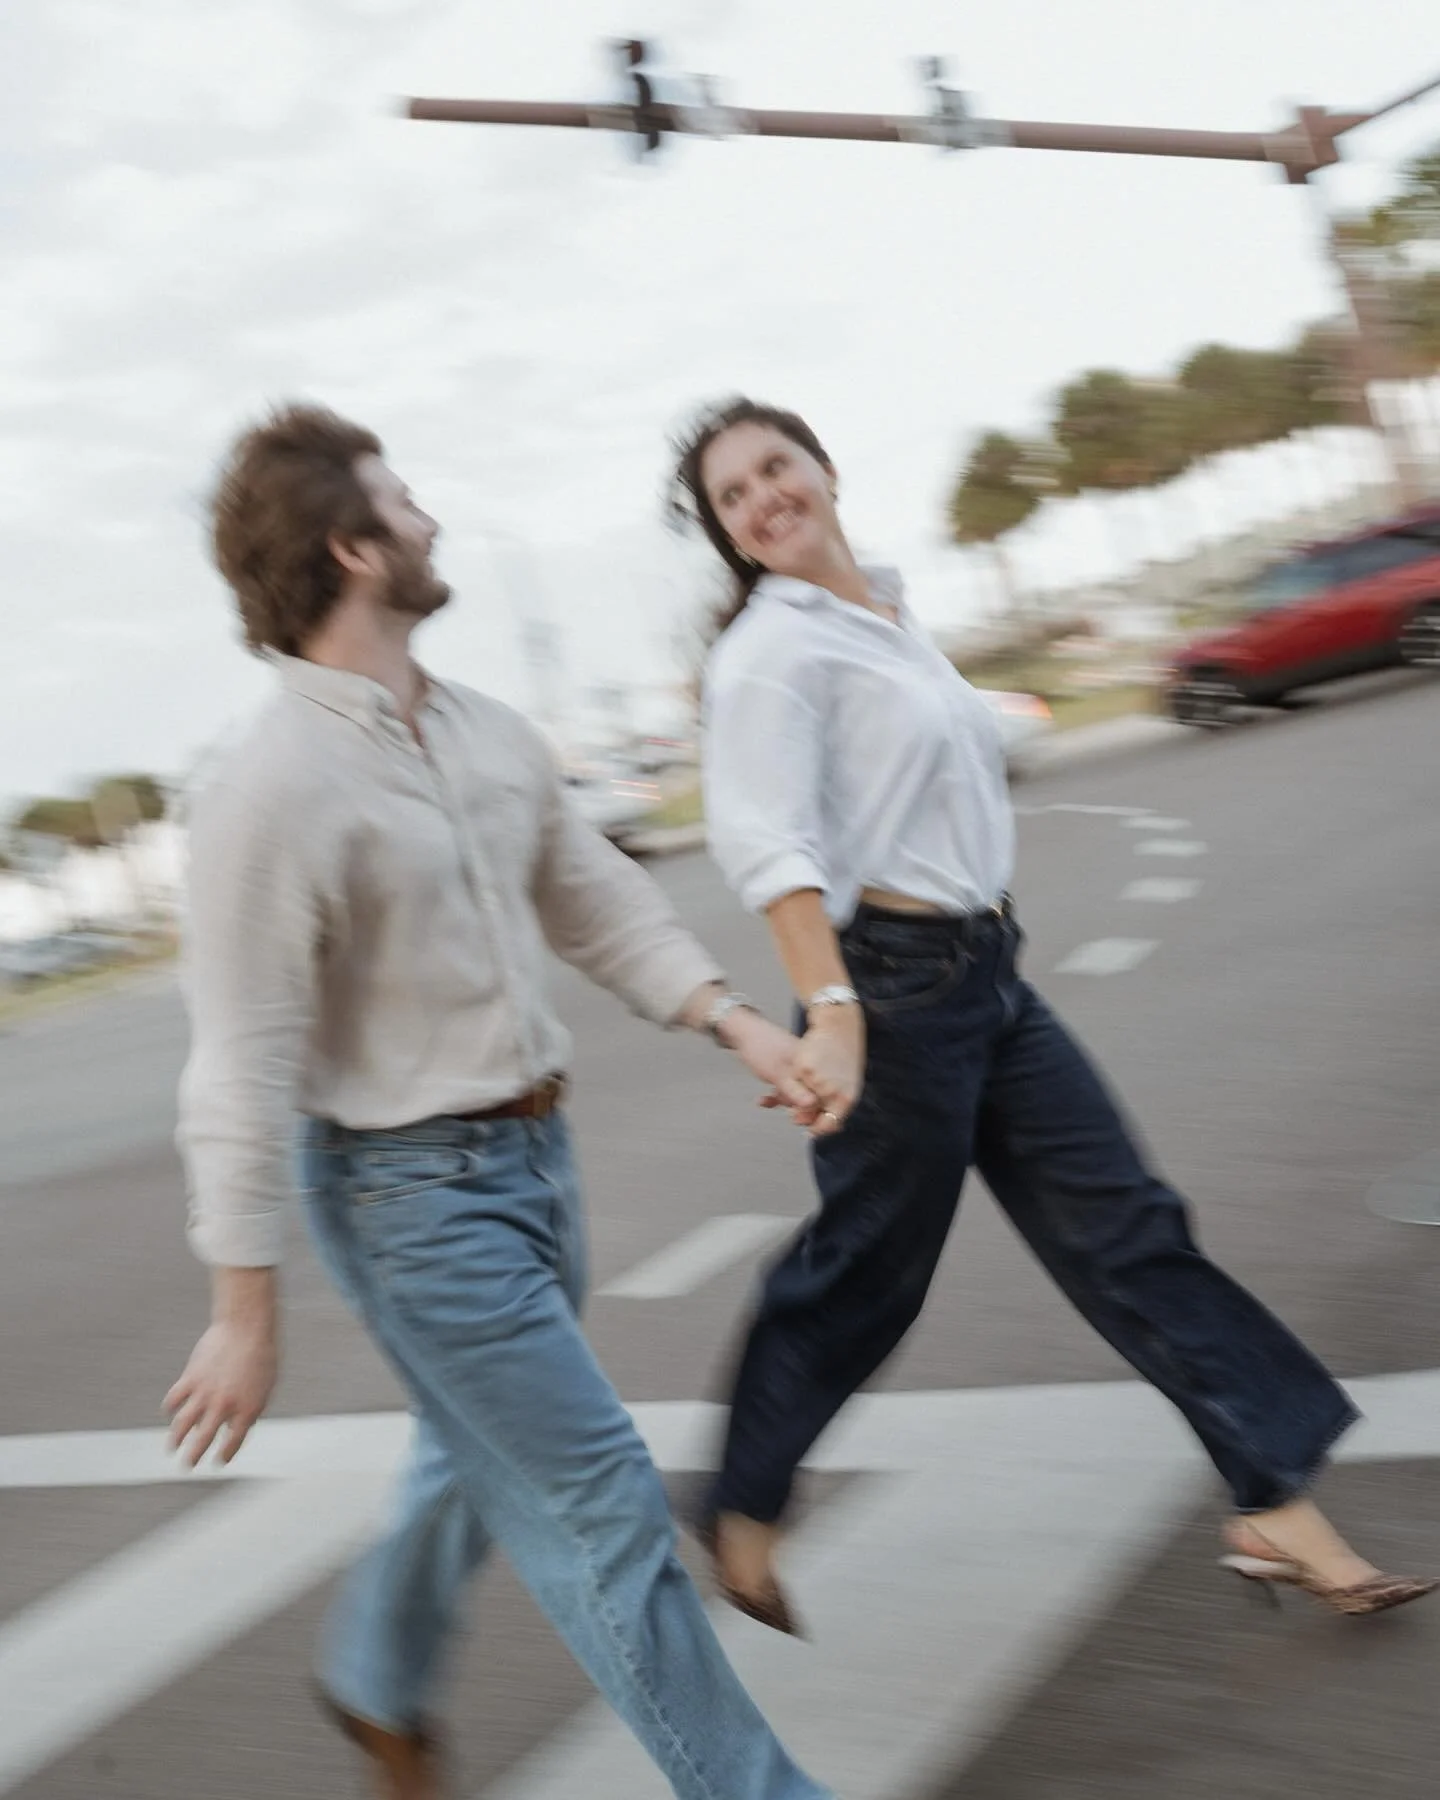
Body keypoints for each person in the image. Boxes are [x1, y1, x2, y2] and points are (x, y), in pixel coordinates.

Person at [667, 394, 1436, 1634]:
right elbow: (772, 852)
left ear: (825, 464)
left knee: (1131, 1232)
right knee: (867, 1271)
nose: (764, 497)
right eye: (734, 496)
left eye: (776, 465)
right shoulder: (769, 653)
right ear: (733, 536)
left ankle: (1276, 1504)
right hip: (894, 991)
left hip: (987, 973)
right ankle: (742, 1505)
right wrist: (833, 1011)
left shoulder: (890, 613)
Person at [164, 403, 840, 1800]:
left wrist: (731, 1023)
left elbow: (589, 895)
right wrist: (244, 1308)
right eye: (404, 504)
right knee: (602, 1510)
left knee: (476, 1453)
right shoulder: (270, 789)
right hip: (408, 1202)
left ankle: (375, 1679)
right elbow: (237, 1060)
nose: (431, 521)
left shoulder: (477, 729)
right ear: (355, 548)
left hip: (536, 1160)